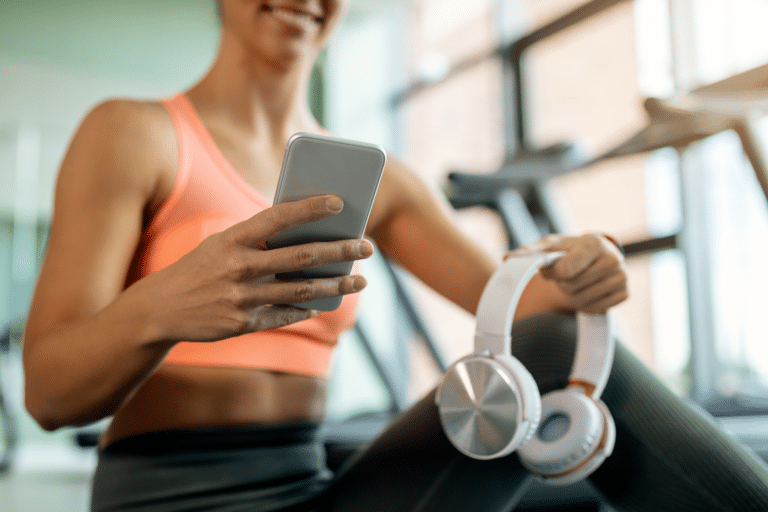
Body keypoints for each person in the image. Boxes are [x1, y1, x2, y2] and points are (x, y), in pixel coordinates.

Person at [21, 1, 768, 511]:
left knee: (559, 342)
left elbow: (530, 317)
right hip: (167, 495)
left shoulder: (377, 178)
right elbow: (52, 397)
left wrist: (577, 269)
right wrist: (165, 305)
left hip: (314, 488)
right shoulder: (133, 134)